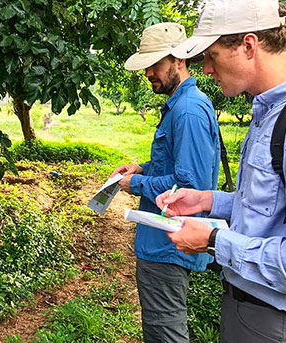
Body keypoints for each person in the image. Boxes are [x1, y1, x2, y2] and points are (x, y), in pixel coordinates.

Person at [156, 0, 286, 342]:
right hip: (246, 306)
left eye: (211, 55)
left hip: (272, 318)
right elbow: (268, 206)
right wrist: (206, 200)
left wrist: (214, 241)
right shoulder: (268, 114)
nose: (205, 69)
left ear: (248, 45)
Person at [112, 22, 220, 342]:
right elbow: (174, 164)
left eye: (156, 64)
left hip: (168, 243)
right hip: (160, 241)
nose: (148, 73)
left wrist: (138, 186)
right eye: (147, 66)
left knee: (165, 333)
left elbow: (191, 186)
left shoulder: (187, 110)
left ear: (179, 60)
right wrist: (143, 169)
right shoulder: (179, 106)